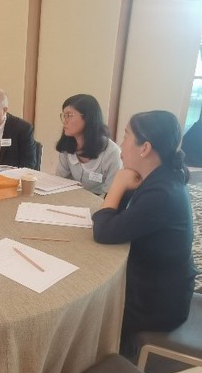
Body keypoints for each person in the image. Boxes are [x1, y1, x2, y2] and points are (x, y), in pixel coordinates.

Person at [92, 110, 197, 358]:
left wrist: (118, 184)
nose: (121, 143)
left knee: (88, 309)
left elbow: (104, 231)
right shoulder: (158, 178)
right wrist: (124, 187)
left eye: (126, 136)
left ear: (145, 148)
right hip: (156, 282)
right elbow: (119, 216)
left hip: (158, 302)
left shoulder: (162, 193)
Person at [55, 94, 122, 195]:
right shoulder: (67, 145)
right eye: (64, 116)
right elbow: (59, 180)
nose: (65, 121)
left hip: (100, 201)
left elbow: (110, 194)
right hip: (71, 199)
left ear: (88, 118)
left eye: (69, 115)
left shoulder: (112, 153)